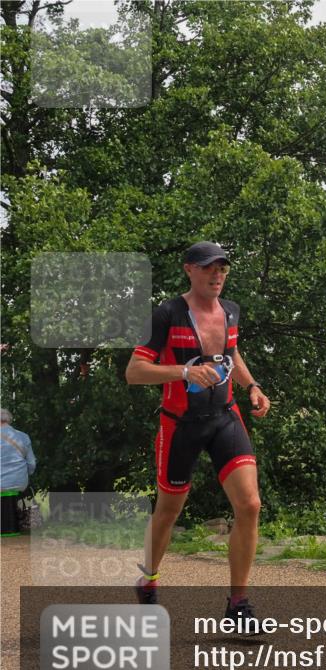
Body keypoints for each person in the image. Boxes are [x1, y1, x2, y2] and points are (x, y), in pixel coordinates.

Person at [125, 241, 271, 627]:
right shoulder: (167, 314)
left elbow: (232, 354)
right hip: (180, 425)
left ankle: (238, 606)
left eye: (222, 268)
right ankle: (149, 579)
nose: (217, 274)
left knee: (250, 505)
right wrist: (184, 371)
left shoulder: (231, 311)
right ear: (189, 269)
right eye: (209, 268)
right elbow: (134, 372)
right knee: (168, 511)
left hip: (225, 417)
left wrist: (253, 385)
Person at [0, 408, 37, 536]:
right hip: (19, 481)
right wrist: (25, 475)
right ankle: (16, 525)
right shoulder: (23, 436)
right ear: (8, 419)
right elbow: (32, 463)